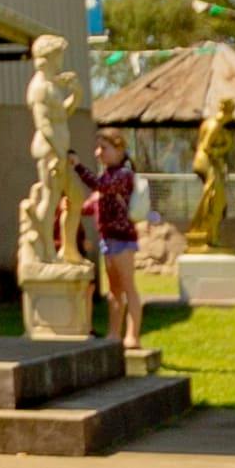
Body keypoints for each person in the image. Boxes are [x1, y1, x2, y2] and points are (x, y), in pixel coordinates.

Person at [71, 132, 147, 361]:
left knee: (128, 287)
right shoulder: (108, 176)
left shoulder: (122, 175)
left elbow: (99, 187)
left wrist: (78, 166)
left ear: (119, 148)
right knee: (114, 290)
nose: (98, 153)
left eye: (104, 148)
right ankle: (114, 333)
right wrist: (72, 205)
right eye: (98, 148)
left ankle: (133, 335)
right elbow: (93, 204)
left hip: (122, 239)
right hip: (107, 240)